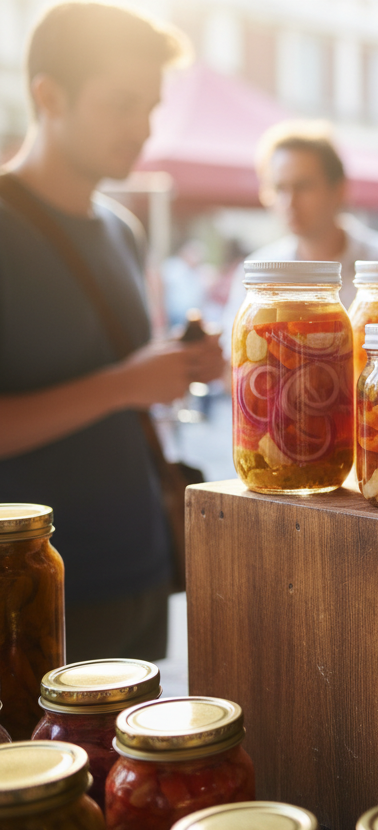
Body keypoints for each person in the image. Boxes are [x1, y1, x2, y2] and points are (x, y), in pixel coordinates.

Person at [0, 2, 224, 660]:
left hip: (140, 565)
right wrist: (128, 383)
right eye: (123, 104)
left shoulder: (121, 229)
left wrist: (179, 366)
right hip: (30, 585)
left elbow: (125, 376)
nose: (143, 128)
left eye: (150, 106)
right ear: (49, 95)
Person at [223, 120, 378, 325]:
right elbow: (233, 352)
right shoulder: (255, 278)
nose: (290, 202)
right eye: (280, 188)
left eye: (303, 186)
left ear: (339, 189)